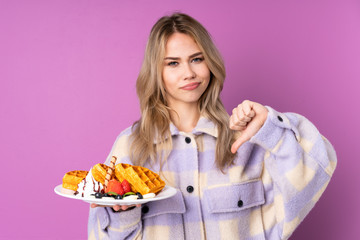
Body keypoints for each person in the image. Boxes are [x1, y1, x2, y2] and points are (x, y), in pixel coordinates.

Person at [88, 13, 337, 240]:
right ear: (156, 72)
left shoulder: (248, 138)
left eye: (197, 59)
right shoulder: (131, 146)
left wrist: (270, 127)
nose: (189, 73)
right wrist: (124, 214)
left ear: (210, 63)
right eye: (173, 63)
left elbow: (314, 172)